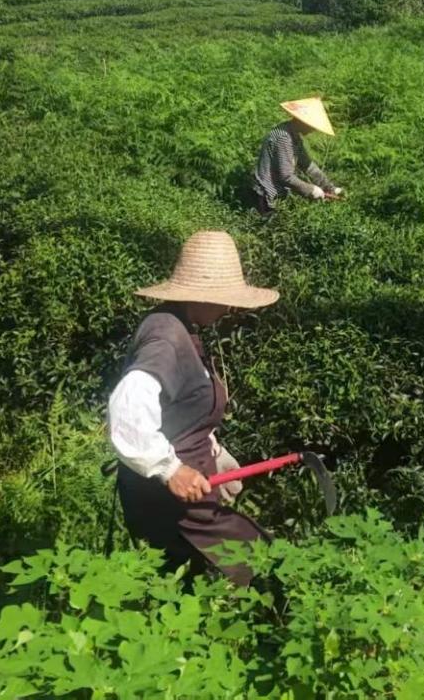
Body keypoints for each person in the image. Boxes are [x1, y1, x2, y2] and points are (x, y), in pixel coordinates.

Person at [107, 230, 280, 585]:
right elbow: (128, 406)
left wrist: (213, 450)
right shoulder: (167, 338)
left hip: (190, 489)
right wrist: (171, 469)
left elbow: (182, 406)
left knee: (192, 578)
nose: (229, 307)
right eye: (224, 298)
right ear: (199, 295)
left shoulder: (185, 327)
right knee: (261, 563)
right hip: (167, 498)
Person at [251, 97, 343, 214]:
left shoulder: (294, 136)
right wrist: (311, 190)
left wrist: (330, 188)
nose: (312, 130)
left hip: (278, 192)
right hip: (267, 193)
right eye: (311, 126)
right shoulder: (283, 137)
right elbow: (286, 176)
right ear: (303, 122)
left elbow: (308, 165)